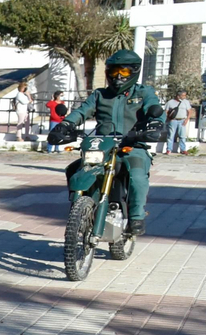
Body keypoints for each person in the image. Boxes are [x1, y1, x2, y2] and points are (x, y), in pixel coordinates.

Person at [47, 48, 164, 236]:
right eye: (113, 71)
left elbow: (154, 108)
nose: (118, 76)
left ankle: (136, 216)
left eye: (123, 71)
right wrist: (65, 125)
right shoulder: (100, 95)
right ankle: (79, 210)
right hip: (102, 146)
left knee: (137, 175)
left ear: (134, 71)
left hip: (132, 146)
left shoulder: (144, 92)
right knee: (73, 169)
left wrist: (155, 125)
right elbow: (82, 111)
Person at [163, 89, 192, 155]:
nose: (184, 97)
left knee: (182, 136)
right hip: (173, 120)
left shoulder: (186, 102)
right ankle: (169, 149)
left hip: (182, 120)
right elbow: (166, 111)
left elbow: (189, 111)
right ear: (178, 96)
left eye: (185, 95)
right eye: (183, 95)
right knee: (171, 135)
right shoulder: (170, 102)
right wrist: (168, 119)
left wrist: (187, 119)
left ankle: (183, 149)